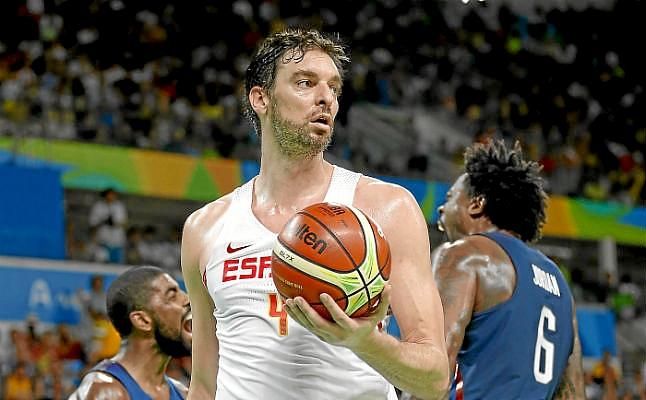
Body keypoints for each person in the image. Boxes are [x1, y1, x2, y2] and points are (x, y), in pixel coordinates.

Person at [181, 28, 449, 400]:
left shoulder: (386, 208)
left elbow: (434, 380)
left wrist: (365, 341)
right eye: (305, 83)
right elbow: (203, 386)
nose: (326, 98)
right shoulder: (204, 228)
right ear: (261, 98)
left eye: (333, 88)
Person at [432, 140, 585, 399]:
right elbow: (573, 392)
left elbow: (433, 367)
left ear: (476, 204)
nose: (441, 208)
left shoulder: (464, 254)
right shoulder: (559, 282)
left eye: (449, 198)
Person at [70, 266, 192, 400]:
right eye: (172, 296)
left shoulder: (183, 393)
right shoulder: (106, 392)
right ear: (142, 320)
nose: (187, 299)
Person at [88, 188, 128, 263]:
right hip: (102, 242)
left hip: (117, 242)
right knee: (101, 262)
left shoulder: (119, 206)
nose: (111, 196)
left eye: (113, 195)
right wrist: (103, 221)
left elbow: (123, 223)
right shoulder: (98, 206)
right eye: (109, 194)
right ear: (105, 195)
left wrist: (114, 223)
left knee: (116, 265)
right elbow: (92, 223)